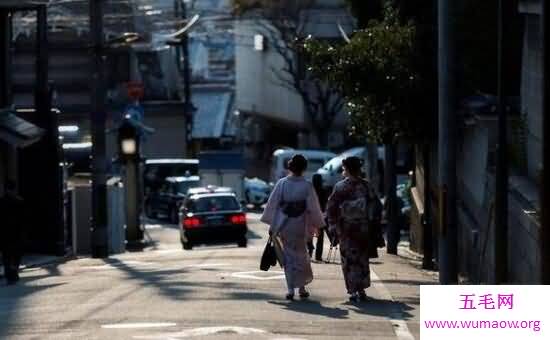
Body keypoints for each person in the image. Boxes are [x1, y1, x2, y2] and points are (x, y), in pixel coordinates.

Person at [261, 154, 325, 300]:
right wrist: (318, 224)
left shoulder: (282, 183)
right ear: (304, 168)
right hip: (301, 224)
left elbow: (273, 205)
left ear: (290, 167)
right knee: (302, 255)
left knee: (288, 257)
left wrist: (273, 224)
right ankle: (302, 288)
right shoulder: (307, 185)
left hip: (284, 224)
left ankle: (290, 289)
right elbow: (313, 208)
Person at [326, 156, 376, 302]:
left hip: (346, 228)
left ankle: (353, 290)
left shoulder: (340, 187)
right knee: (361, 259)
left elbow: (331, 207)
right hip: (362, 227)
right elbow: (374, 205)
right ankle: (361, 289)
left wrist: (332, 224)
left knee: (348, 260)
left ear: (346, 169)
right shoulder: (366, 186)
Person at [0, 180, 25, 285]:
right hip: (16, 233)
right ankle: (13, 273)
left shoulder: (1, 202)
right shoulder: (19, 202)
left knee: (6, 255)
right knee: (16, 255)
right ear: (14, 189)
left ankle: (8, 272)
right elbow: (23, 219)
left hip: (4, 233)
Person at [312, 174, 329, 261]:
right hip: (320, 215)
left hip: (310, 215)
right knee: (320, 237)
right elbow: (326, 203)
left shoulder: (310, 190)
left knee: (309, 235)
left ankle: (309, 253)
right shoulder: (323, 190)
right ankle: (318, 256)